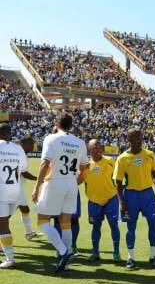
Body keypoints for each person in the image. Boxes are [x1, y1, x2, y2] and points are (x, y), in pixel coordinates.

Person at [31, 114, 89, 271]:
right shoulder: (80, 142)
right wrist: (73, 182)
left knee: (42, 221)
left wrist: (37, 186)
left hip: (54, 181)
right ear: (71, 126)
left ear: (57, 123)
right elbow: (84, 168)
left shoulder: (51, 138)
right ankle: (67, 259)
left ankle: (63, 252)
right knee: (66, 223)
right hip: (71, 183)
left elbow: (45, 164)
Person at [114, 129, 155, 269]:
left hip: (148, 194)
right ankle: (131, 257)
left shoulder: (149, 154)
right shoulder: (122, 158)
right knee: (131, 227)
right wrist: (121, 202)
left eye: (140, 136)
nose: (138, 138)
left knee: (153, 225)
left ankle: (153, 256)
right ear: (128, 138)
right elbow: (117, 182)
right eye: (134, 136)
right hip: (130, 196)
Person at [78, 139, 121, 263]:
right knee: (96, 227)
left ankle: (116, 252)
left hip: (111, 199)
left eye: (99, 146)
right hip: (94, 201)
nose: (98, 149)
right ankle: (95, 252)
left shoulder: (110, 161)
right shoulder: (85, 165)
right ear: (89, 150)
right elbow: (78, 181)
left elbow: (119, 178)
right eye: (94, 147)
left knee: (114, 226)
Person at [0, 124, 29, 268]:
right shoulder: (18, 149)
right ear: (10, 134)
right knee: (4, 223)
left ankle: (10, 259)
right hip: (15, 192)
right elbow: (23, 169)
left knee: (3, 225)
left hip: (1, 192)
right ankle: (3, 247)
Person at [17, 137, 43, 240]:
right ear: (23, 144)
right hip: (13, 188)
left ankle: (29, 233)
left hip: (18, 187)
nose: (33, 146)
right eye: (30, 144)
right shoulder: (19, 154)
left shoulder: (22, 154)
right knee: (6, 215)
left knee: (25, 209)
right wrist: (38, 179)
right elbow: (24, 173)